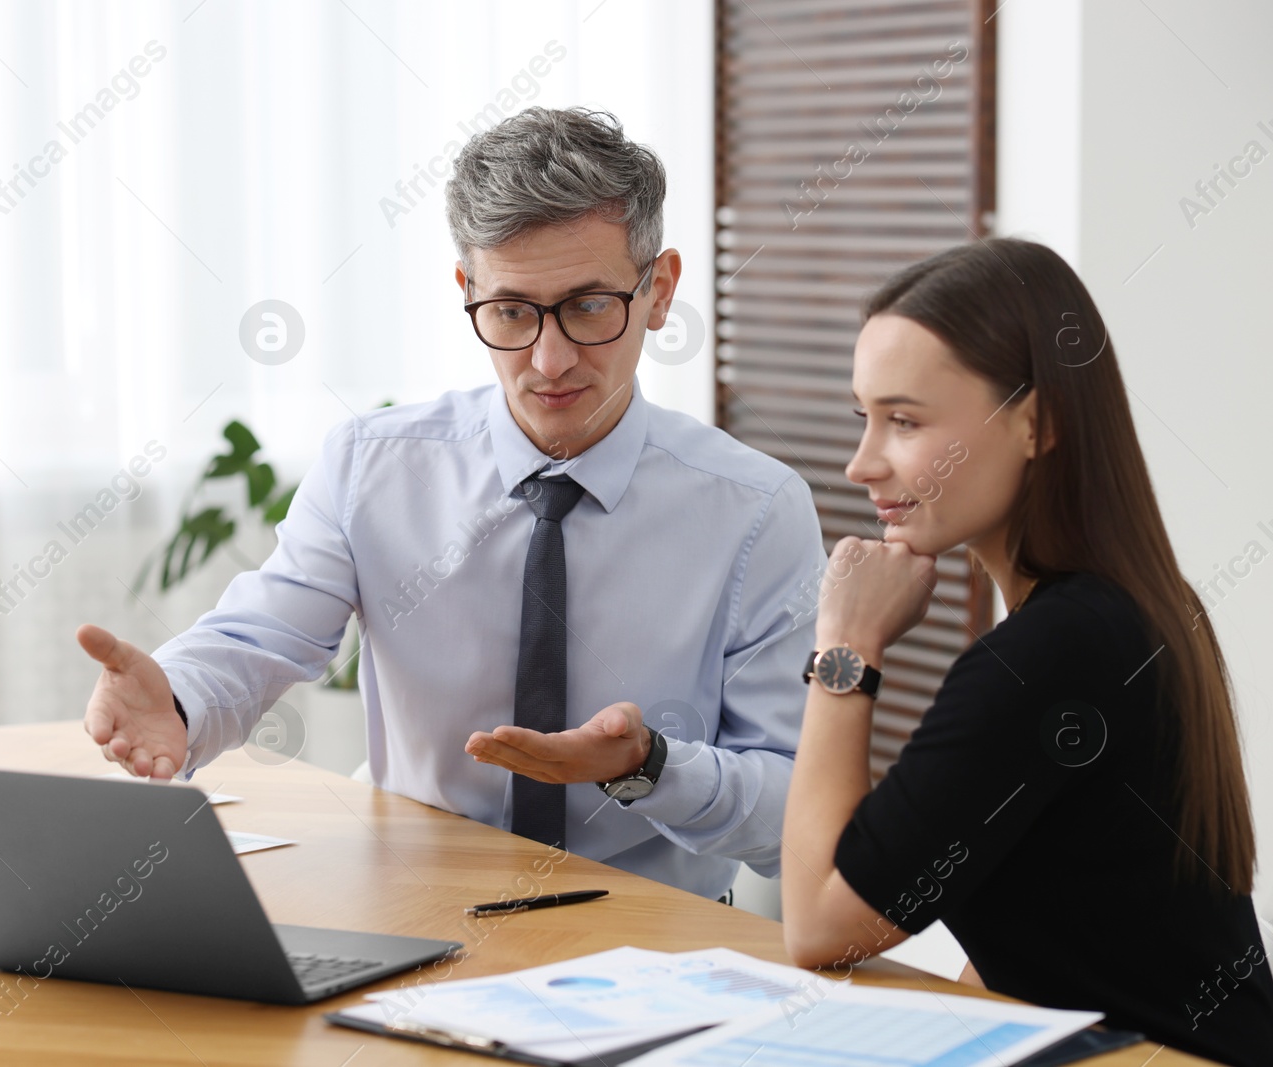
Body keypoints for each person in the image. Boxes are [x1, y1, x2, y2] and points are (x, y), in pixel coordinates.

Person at [76, 106, 827, 899]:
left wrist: (651, 768)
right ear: (467, 290)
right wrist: (181, 699)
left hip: (657, 937)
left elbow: (795, 818)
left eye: (588, 305)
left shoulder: (754, 511)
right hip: (415, 918)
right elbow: (265, 629)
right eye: (510, 311)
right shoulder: (374, 466)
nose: (550, 359)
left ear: (660, 290)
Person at [780, 237, 1273, 1064]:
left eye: (903, 420)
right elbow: (1064, 913)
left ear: (1035, 423)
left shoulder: (1054, 650)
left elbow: (818, 923)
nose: (861, 462)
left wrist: (846, 646)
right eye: (862, 417)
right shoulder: (1127, 606)